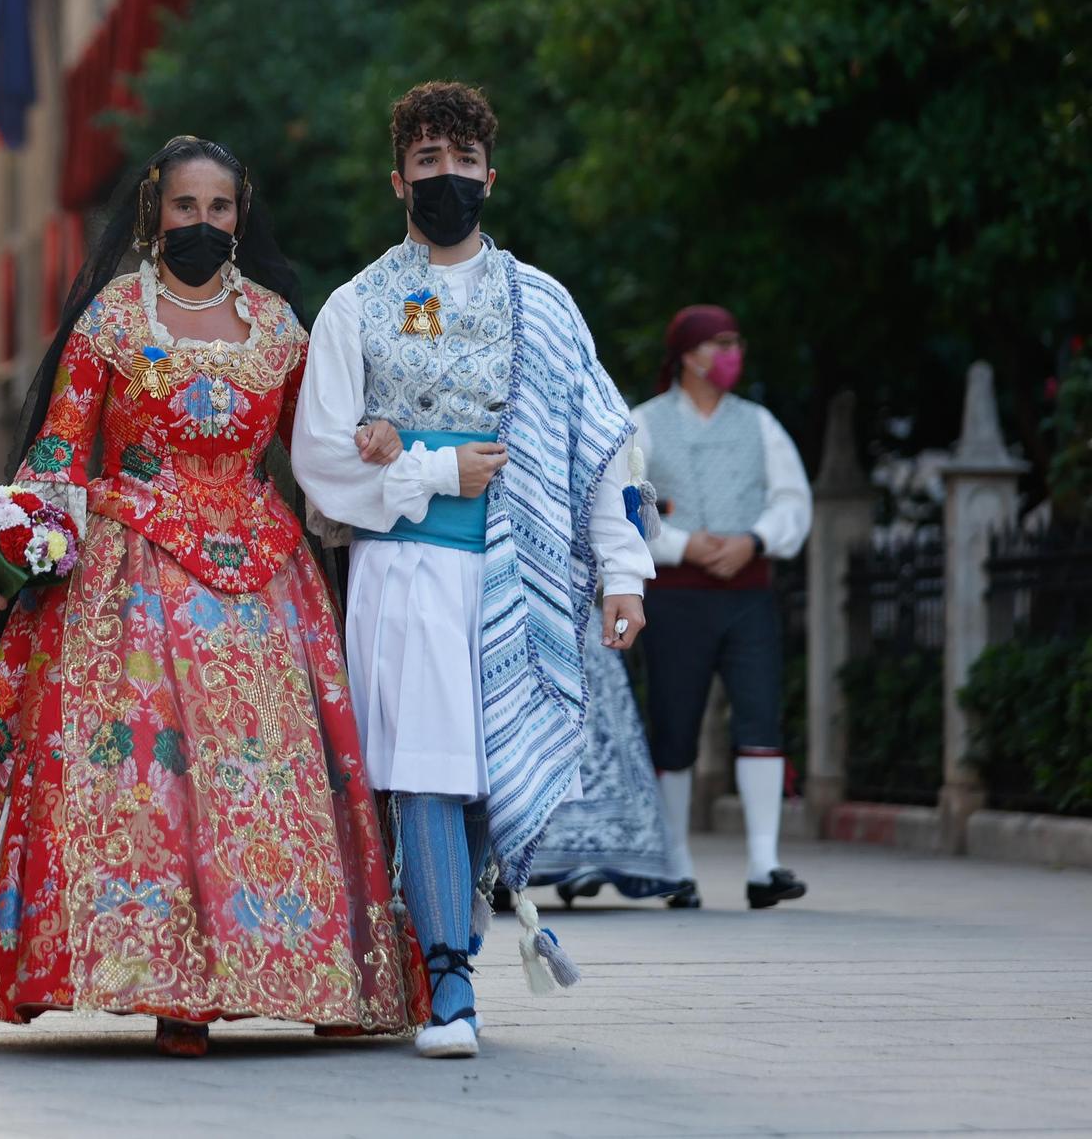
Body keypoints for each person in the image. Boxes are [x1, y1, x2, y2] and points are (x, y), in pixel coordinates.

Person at [0, 136, 430, 1058]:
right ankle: (169, 987)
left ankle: (310, 971)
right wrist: (1, 558)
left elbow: (323, 439)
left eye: (219, 209)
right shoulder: (112, 319)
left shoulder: (277, 325)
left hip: (264, 572)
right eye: (186, 208)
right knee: (148, 775)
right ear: (155, 212)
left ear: (242, 213)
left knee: (267, 778)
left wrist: (376, 430)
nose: (203, 224)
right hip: (130, 573)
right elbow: (62, 448)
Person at [292, 82, 654, 1059]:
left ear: (488, 176)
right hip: (406, 573)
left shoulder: (541, 303)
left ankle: (448, 941)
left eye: (460, 163)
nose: (442, 179)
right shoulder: (356, 305)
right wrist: (427, 467)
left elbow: (604, 447)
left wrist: (622, 571)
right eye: (424, 162)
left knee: (487, 782)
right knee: (428, 776)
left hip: (518, 580)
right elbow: (319, 458)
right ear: (396, 176)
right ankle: (449, 984)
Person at [635, 304, 812, 910]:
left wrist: (753, 540)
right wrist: (684, 544)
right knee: (674, 726)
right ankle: (676, 866)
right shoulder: (643, 423)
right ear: (688, 355)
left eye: (736, 341)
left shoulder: (759, 424)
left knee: (761, 717)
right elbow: (622, 506)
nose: (732, 354)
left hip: (748, 594)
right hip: (677, 597)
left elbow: (792, 502)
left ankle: (765, 864)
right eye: (720, 343)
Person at [526, 618, 683, 905]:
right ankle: (500, 872)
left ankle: (584, 863)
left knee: (593, 730)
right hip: (508, 609)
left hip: (576, 615)